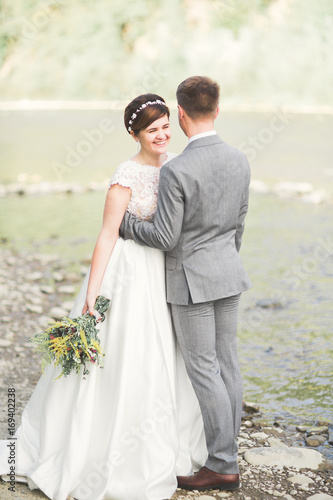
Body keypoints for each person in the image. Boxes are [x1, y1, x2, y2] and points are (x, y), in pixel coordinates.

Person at [0, 94, 208, 500]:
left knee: (164, 353)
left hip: (164, 273)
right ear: (135, 134)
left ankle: (166, 439)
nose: (163, 135)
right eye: (153, 130)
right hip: (129, 274)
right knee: (127, 353)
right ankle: (102, 449)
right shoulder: (125, 175)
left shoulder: (176, 165)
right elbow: (107, 235)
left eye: (166, 126)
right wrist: (91, 297)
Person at [120, 76, 252, 492]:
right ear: (217, 109)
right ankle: (227, 453)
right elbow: (238, 225)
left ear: (179, 114)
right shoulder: (239, 159)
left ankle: (222, 464)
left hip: (191, 282)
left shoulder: (177, 169)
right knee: (227, 362)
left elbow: (164, 237)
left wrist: (127, 224)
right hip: (228, 272)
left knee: (203, 369)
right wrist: (223, 260)